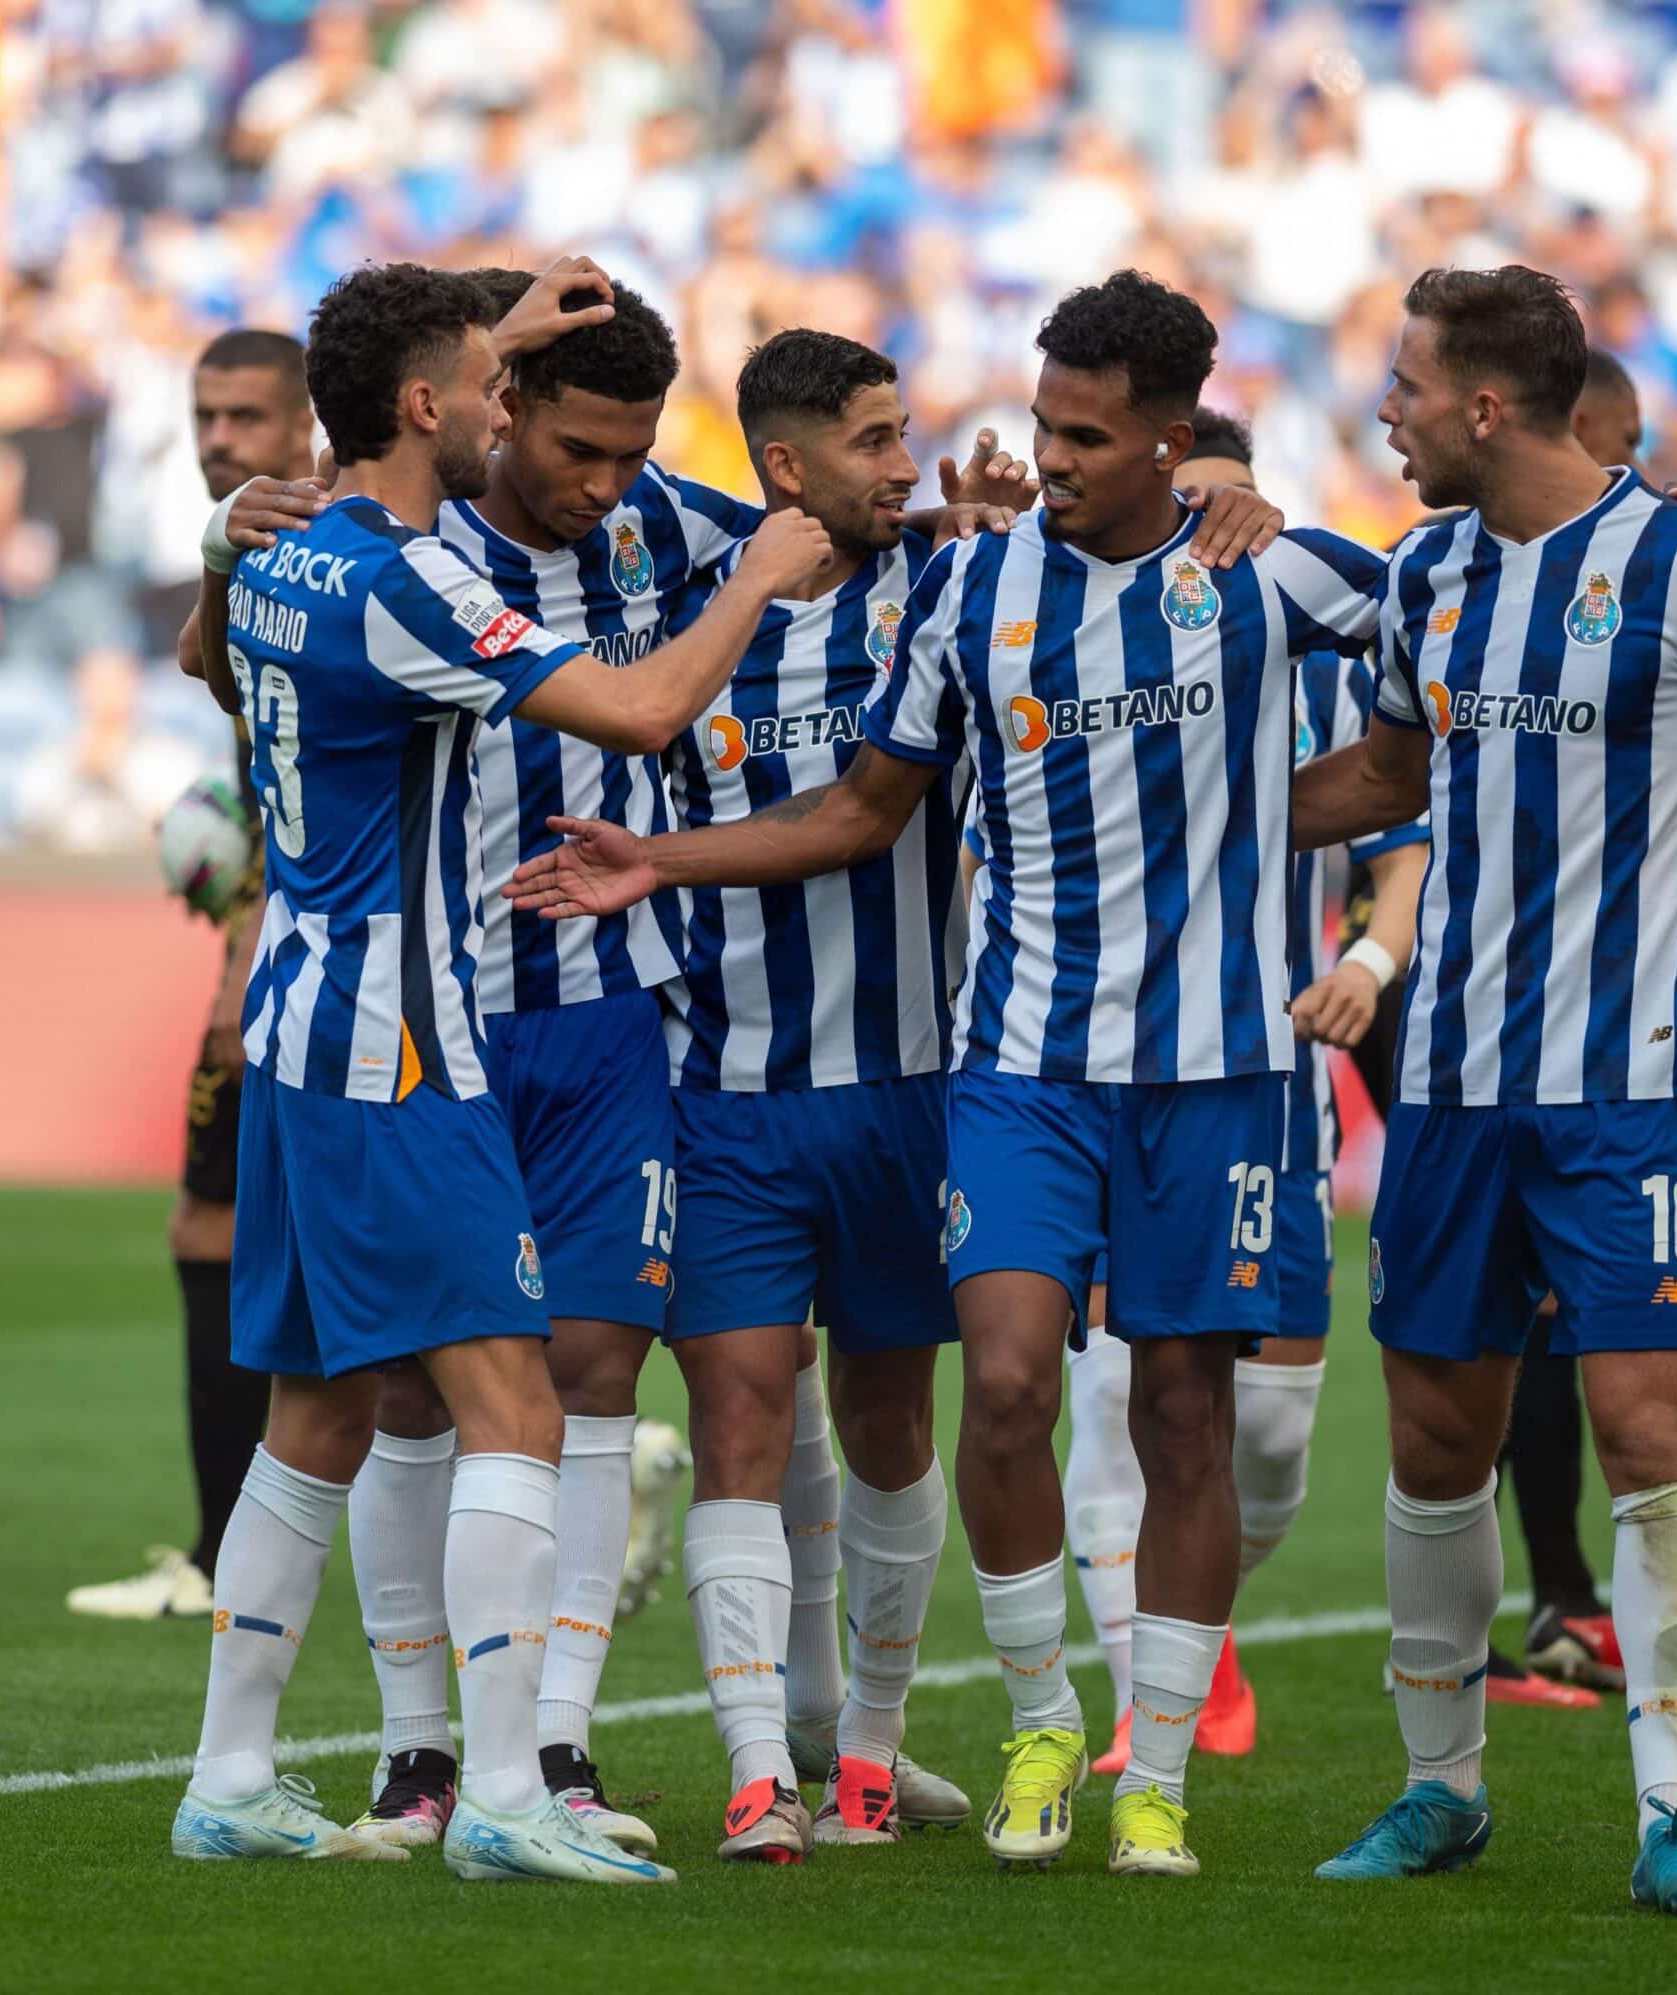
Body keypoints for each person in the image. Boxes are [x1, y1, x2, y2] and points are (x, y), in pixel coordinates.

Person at [507, 272, 1394, 1884]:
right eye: (1034, 422)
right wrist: (662, 862)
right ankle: (927, 1736)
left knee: (1120, 1416)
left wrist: (1258, 801)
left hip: (1103, 1074)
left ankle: (1052, 1765)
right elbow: (851, 806)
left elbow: (1434, 690)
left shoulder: (1173, 574)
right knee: (913, 1397)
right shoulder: (876, 595)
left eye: (1079, 431)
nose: (1007, 456)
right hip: (925, 1072)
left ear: (1167, 439)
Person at [170, 255, 815, 1885]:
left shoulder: (290, 548)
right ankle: (516, 1793)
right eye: (492, 382)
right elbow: (652, 706)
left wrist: (491, 334)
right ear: (428, 406)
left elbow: (205, 662)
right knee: (515, 1402)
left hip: (298, 1023)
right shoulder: (410, 584)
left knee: (312, 1411)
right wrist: (767, 569)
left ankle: (231, 1773)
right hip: (406, 1041)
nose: (509, 403)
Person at [333, 272, 984, 1863]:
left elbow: (827, 515)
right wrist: (238, 539)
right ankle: (420, 1749)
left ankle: (553, 1747)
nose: (604, 485)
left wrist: (1033, 513)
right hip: (450, 1013)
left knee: (596, 1377)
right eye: (575, 447)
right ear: (493, 409)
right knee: (413, 1386)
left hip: (620, 1013)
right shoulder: (412, 559)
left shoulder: (666, 530)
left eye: (632, 453)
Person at [1292, 265, 1677, 1911]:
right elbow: (1385, 775)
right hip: (1440, 1086)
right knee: (1438, 1439)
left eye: (1408, 387)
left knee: (1651, 1428)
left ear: (1486, 408)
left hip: (1625, 1088)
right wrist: (1175, 809)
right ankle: (1440, 1792)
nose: (1387, 412)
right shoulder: (1426, 572)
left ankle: (1672, 1812)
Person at [641, 328, 987, 1851]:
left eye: (905, 435)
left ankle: (866, 1747)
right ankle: (753, 1771)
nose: (904, 464)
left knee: (892, 1418)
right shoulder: (683, 624)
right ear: (785, 467)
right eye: (872, 440)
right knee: (736, 1410)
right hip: (727, 1093)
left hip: (910, 1086)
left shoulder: (949, 592)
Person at [1056, 406, 1433, 1772]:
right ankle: (1141, 1704)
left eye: (1229, 509)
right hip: (1093, 1066)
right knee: (1116, 1402)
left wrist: (1374, 963)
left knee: (1262, 1440)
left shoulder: (1316, 666)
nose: (1200, 538)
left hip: (1264, 1076)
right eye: (1182, 505)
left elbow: (1399, 845)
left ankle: (1196, 1618)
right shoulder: (1079, 640)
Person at [68, 329, 313, 1626]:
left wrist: (246, 946)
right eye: (204, 416)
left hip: (318, 966)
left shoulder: (315, 548)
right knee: (213, 1231)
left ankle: (235, 1560)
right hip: (283, 939)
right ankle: (224, 1552)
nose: (220, 439)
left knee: (333, 1266)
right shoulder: (255, 551)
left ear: (309, 427)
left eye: (246, 417)